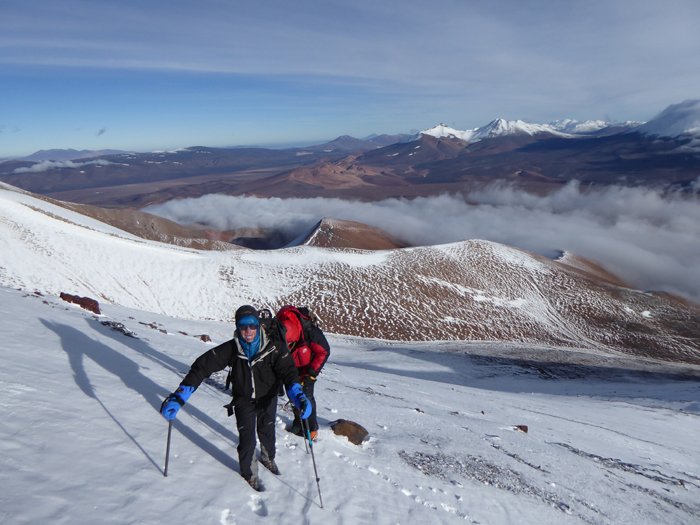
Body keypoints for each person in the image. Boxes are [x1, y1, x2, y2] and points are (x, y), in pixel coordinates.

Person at [160, 305, 312, 491]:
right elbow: (202, 367)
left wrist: (298, 396)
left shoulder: (275, 348)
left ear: (259, 326)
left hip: (268, 398)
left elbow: (289, 373)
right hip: (243, 400)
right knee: (247, 441)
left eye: (252, 326)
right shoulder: (232, 349)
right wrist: (179, 397)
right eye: (243, 326)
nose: (248, 331)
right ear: (237, 327)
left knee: (267, 431)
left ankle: (268, 458)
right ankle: (250, 475)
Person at [276, 305, 330, 440]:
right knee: (293, 394)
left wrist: (311, 374)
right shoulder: (277, 332)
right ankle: (299, 424)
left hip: (307, 367)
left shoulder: (309, 332)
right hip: (289, 367)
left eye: (291, 344)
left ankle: (312, 428)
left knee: (306, 395)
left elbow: (324, 351)